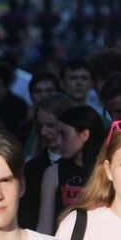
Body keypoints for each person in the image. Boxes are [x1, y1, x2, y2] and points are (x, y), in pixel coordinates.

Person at [36, 105, 108, 235]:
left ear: (84, 134)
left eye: (64, 134)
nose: (58, 142)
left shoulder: (108, 172)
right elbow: (44, 228)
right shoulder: (53, 173)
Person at [22, 95, 74, 230]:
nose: (44, 132)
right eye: (40, 126)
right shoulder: (31, 169)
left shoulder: (83, 166)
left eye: (50, 126)